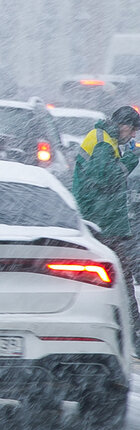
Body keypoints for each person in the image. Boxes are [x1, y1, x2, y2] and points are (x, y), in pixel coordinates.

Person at [72, 105, 140, 355]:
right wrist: (132, 159)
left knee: (113, 279)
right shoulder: (103, 143)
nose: (132, 136)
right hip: (103, 222)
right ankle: (131, 336)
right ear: (123, 125)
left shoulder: (102, 138)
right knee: (121, 279)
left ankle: (125, 334)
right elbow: (106, 179)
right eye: (132, 131)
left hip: (101, 220)